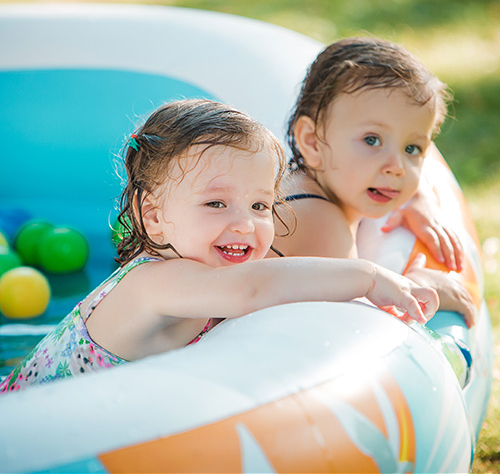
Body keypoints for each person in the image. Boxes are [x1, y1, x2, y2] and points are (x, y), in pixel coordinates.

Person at [0, 99, 438, 394]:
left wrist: (412, 200)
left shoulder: (204, 262)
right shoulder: (155, 282)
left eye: (260, 204)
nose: (245, 223)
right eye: (215, 203)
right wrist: (371, 276)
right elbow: (254, 288)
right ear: (152, 215)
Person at [272, 36, 475, 328]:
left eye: (411, 149)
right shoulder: (321, 223)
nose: (397, 168)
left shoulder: (307, 182)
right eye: (372, 140)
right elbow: (349, 329)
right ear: (312, 142)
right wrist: (418, 285)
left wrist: (417, 197)